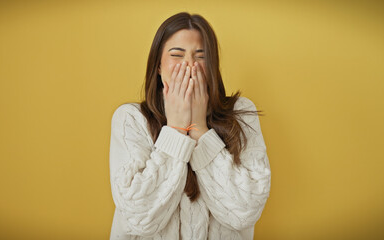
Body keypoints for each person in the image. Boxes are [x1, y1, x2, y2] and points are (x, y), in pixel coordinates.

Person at [109, 12, 271, 240]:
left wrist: (199, 129)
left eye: (200, 56)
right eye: (176, 55)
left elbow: (244, 212)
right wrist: (175, 129)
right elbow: (139, 218)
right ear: (158, 66)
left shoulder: (242, 114)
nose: (189, 65)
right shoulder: (131, 119)